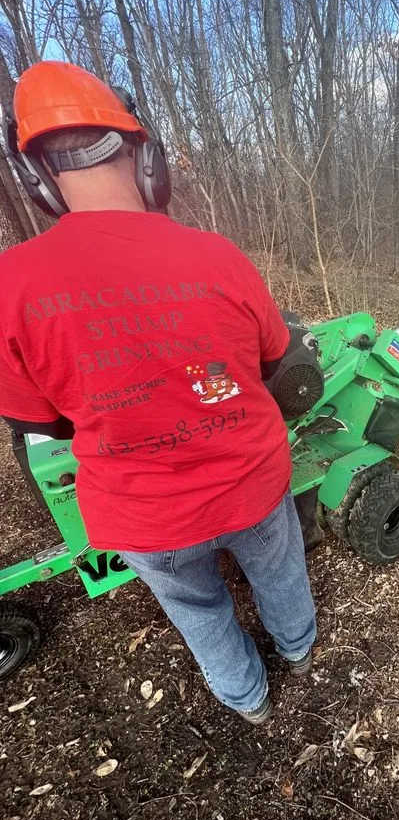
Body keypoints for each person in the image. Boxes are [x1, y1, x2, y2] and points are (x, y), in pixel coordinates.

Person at [0, 61, 316, 725]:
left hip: (143, 516)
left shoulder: (11, 284)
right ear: (147, 159)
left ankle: (248, 700)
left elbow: (42, 424)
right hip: (251, 485)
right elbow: (283, 367)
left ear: (37, 180)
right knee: (280, 572)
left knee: (199, 610)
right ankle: (300, 650)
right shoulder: (217, 255)